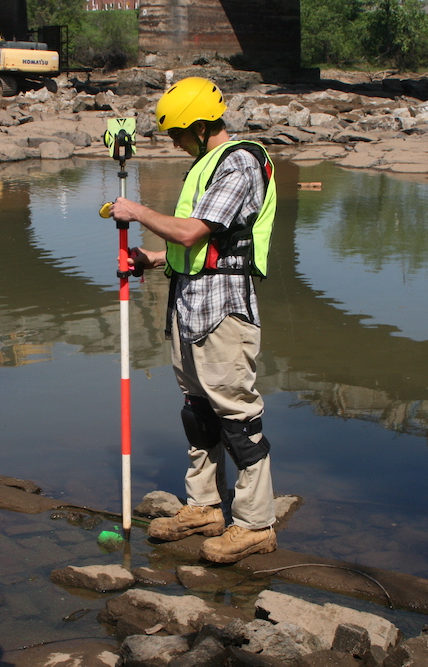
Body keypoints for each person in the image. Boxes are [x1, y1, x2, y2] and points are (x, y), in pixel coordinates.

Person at [109, 76, 278, 564]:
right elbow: (204, 246)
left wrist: (136, 210)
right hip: (188, 306)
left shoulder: (240, 164)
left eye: (179, 135)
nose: (175, 144)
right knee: (197, 413)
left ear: (203, 126)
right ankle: (204, 507)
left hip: (223, 312)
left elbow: (192, 232)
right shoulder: (204, 165)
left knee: (237, 419)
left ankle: (254, 523)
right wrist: (153, 259)